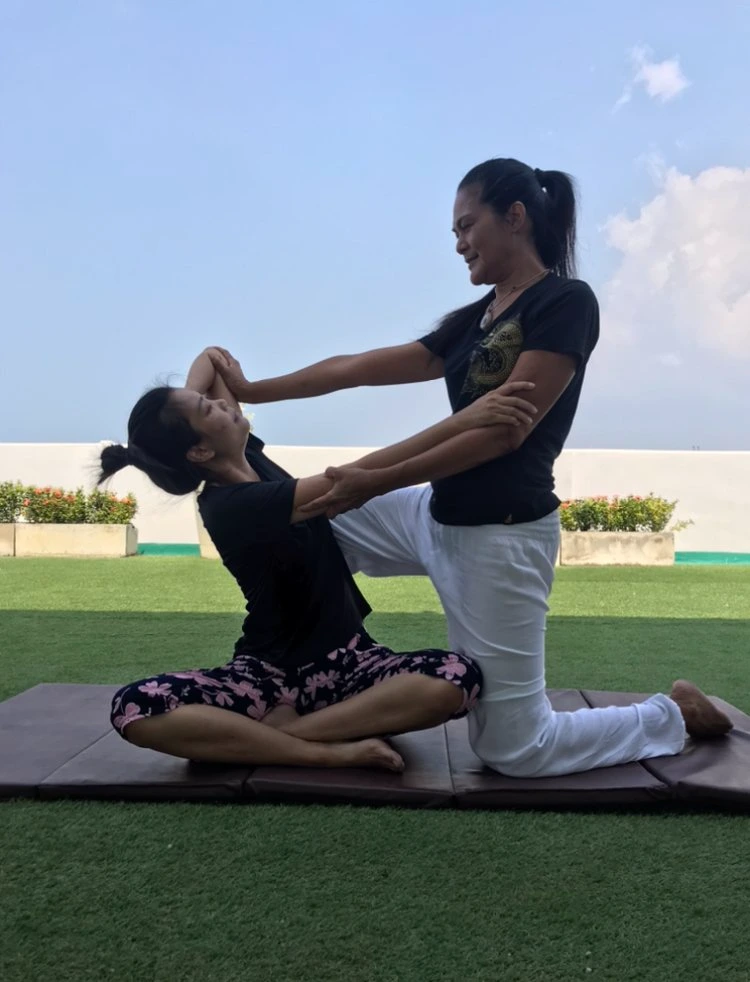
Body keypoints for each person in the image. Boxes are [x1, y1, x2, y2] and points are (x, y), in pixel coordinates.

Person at [206, 156, 732, 779]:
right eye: (454, 232)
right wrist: (255, 390)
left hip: (500, 536)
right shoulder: (474, 320)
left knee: (516, 750)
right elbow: (358, 367)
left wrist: (374, 480)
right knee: (304, 514)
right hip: (432, 513)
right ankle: (304, 672)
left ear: (515, 217)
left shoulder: (564, 302)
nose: (458, 244)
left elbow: (503, 434)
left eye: (466, 226)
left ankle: (671, 715)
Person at [98, 346, 537, 771]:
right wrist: (463, 422)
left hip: (352, 662)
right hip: (266, 675)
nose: (222, 404)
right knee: (135, 708)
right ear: (199, 452)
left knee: (456, 679)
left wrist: (185, 408)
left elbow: (212, 357)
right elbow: (361, 473)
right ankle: (322, 753)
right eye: (207, 408)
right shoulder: (231, 505)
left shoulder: (247, 459)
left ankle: (286, 733)